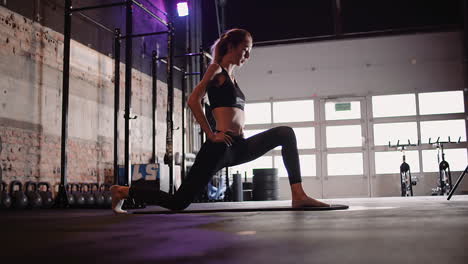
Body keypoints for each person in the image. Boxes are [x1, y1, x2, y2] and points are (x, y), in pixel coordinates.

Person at [110, 28, 329, 214]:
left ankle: (298, 195)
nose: (247, 56)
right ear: (231, 47)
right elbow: (194, 100)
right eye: (245, 50)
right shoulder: (217, 70)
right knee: (179, 203)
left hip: (238, 146)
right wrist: (211, 134)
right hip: (219, 148)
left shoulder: (233, 77)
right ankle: (123, 191)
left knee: (285, 133)